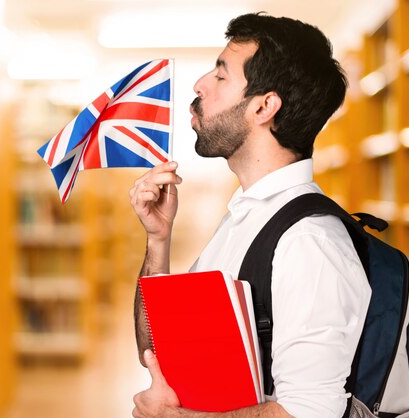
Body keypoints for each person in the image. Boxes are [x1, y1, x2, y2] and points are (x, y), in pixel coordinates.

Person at [129, 12, 371, 418]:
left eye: (221, 76)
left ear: (264, 107)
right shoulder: (247, 217)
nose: (200, 85)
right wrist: (158, 240)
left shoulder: (308, 241)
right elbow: (154, 351)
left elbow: (308, 410)